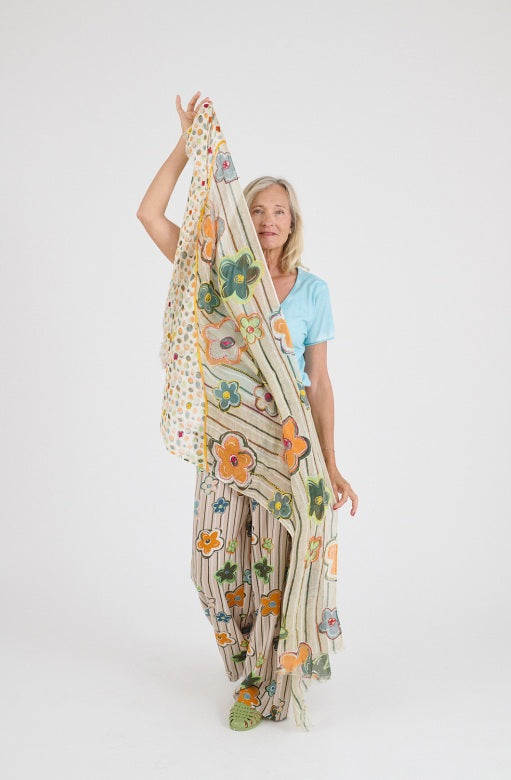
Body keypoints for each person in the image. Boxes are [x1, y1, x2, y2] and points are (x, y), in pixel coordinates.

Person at [137, 92, 359, 730]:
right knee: (212, 570)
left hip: (291, 450)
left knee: (274, 568)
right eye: (256, 210)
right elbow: (149, 215)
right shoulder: (216, 278)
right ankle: (243, 665)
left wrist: (334, 463)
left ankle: (262, 684)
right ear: (239, 218)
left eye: (279, 212)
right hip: (226, 444)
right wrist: (187, 144)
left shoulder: (314, 292)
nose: (267, 220)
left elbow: (319, 383)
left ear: (293, 223)